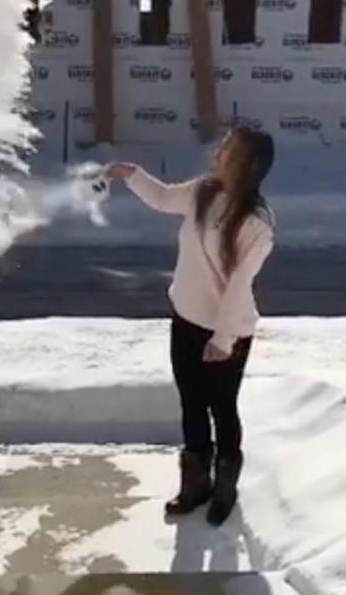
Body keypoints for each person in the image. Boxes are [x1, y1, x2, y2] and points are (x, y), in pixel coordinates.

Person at [105, 127, 276, 527]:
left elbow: (238, 285)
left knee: (222, 408)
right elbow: (164, 198)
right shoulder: (203, 193)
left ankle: (224, 490)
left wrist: (223, 339)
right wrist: (133, 175)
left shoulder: (256, 223)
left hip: (226, 330)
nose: (220, 152)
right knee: (191, 405)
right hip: (185, 319)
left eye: (230, 149)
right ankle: (194, 486)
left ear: (248, 165)